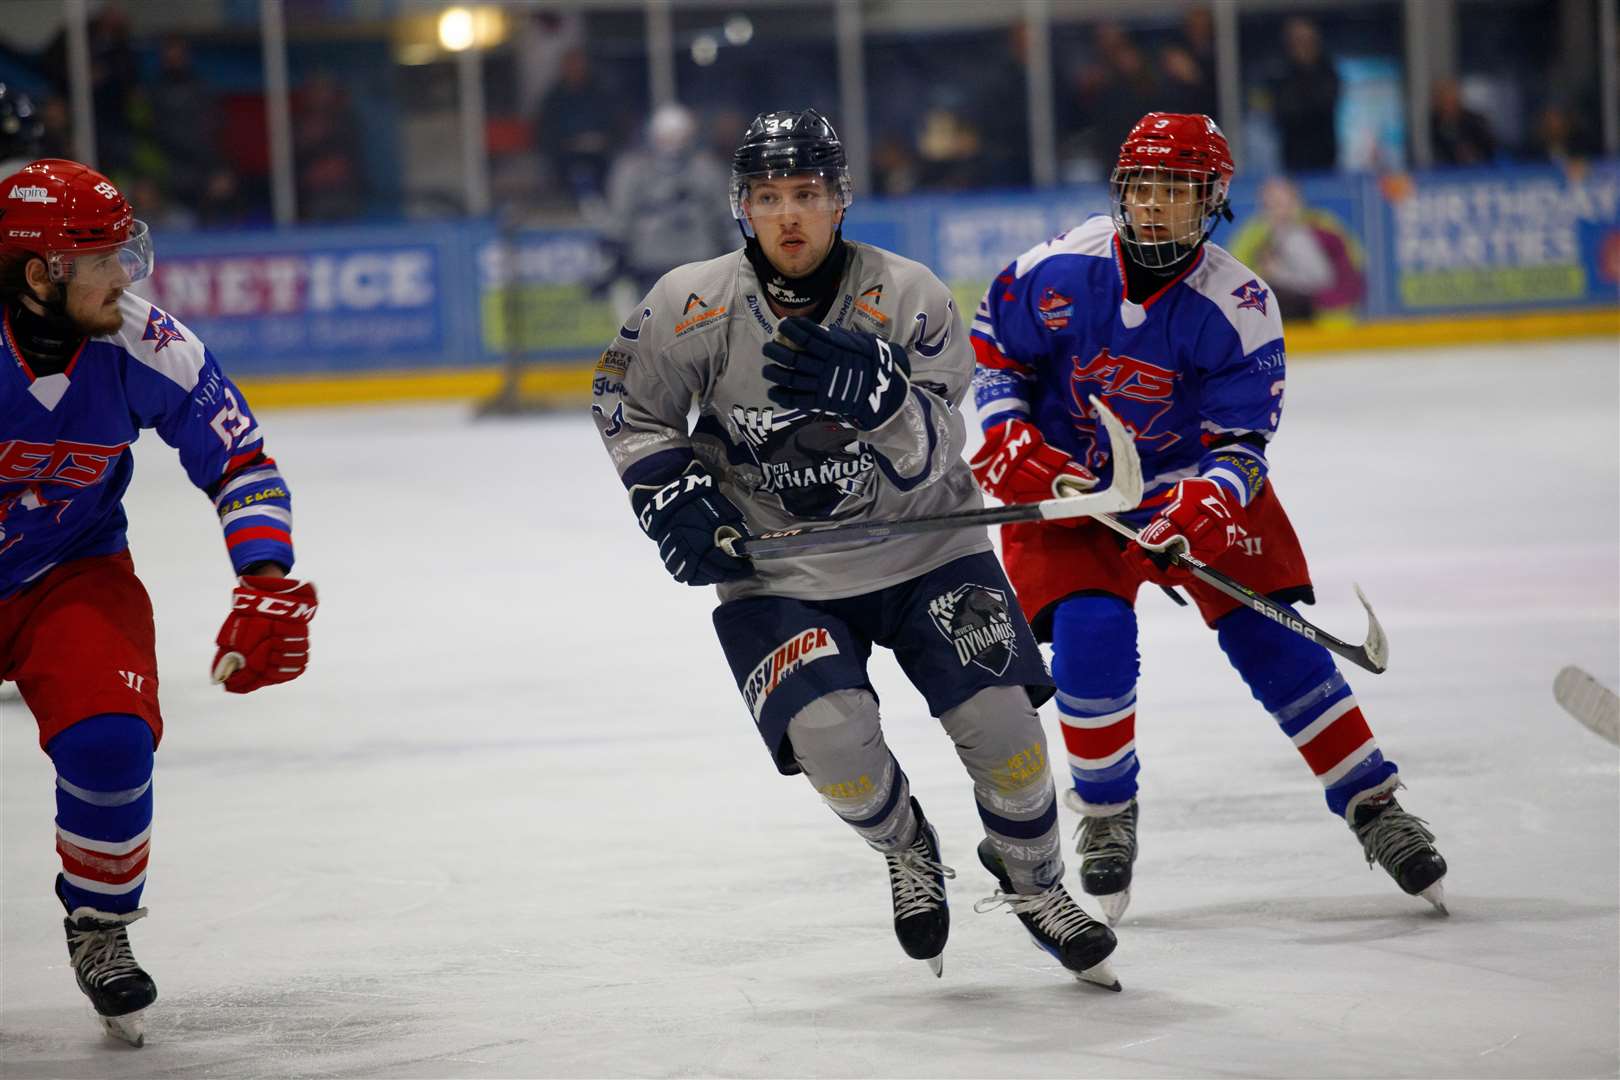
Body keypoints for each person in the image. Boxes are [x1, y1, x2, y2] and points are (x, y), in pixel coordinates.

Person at [590, 109, 1120, 987]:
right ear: (742, 207)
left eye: (807, 193)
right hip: (780, 568)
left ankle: (1034, 884)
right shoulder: (691, 302)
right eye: (768, 197)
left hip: (927, 550)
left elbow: (948, 447)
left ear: (840, 200)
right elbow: (625, 401)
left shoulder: (909, 295)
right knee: (833, 744)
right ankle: (906, 844)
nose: (788, 216)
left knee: (1008, 735)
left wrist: (888, 409)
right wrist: (668, 488)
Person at [967, 114, 1448, 926]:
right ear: (1121, 190)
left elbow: (1244, 442)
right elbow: (994, 350)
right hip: (1076, 487)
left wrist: (1210, 497)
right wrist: (1006, 428)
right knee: (1090, 639)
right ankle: (1108, 813)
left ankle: (1374, 802)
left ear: (1213, 200)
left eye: (1178, 192)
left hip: (1190, 489)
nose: (1156, 206)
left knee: (1273, 641)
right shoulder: (1056, 268)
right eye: (1144, 187)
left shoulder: (1240, 303)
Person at [0, 160, 317, 1046]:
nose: (126, 274)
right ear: (40, 275)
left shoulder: (147, 343)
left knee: (111, 739)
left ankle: (97, 925)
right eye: (101, 259)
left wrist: (265, 581)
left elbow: (241, 461)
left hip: (66, 571)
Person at [597, 103, 734, 303]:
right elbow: (620, 218)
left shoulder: (707, 170)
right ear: (653, 137)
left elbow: (727, 217)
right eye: (667, 136)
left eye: (679, 136)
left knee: (701, 323)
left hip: (699, 259)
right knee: (654, 322)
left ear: (690, 136)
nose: (673, 144)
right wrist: (613, 258)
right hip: (650, 262)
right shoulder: (633, 171)